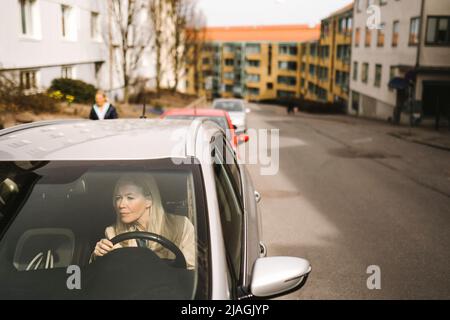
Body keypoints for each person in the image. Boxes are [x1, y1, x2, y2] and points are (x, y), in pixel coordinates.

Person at [92, 174, 196, 269]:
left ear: (148, 201)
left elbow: (192, 269)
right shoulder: (112, 232)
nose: (121, 205)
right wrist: (98, 255)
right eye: (118, 198)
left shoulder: (181, 225)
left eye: (130, 198)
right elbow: (106, 273)